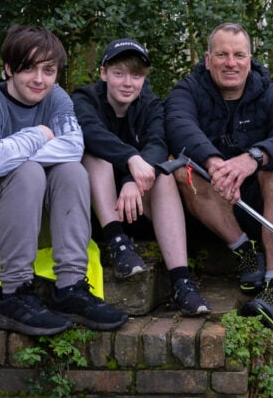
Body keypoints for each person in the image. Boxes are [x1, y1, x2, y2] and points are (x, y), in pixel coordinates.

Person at [0, 25, 129, 336]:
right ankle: (14, 293)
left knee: (71, 170)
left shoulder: (55, 98)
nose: (39, 79)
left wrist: (4, 158)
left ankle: (70, 288)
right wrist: (40, 133)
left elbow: (73, 146)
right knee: (29, 171)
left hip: (33, 222)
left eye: (49, 70)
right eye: (28, 68)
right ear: (8, 68)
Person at [164, 23, 273, 326]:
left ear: (250, 59)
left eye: (239, 55)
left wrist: (254, 157)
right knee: (181, 167)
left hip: (261, 203)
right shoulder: (187, 89)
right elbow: (177, 123)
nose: (231, 63)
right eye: (222, 54)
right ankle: (246, 254)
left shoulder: (272, 94)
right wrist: (213, 161)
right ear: (207, 59)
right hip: (211, 206)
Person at [73, 37, 211, 316]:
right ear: (103, 73)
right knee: (94, 156)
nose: (127, 83)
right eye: (119, 74)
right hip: (97, 212)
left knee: (164, 175)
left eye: (135, 75)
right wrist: (130, 159)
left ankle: (181, 282)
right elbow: (90, 133)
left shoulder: (150, 104)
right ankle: (118, 244)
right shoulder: (84, 99)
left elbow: (158, 143)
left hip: (139, 205)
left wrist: (131, 180)